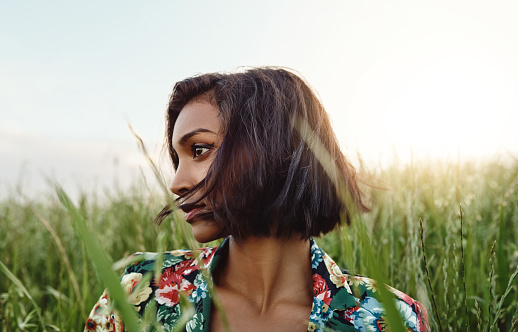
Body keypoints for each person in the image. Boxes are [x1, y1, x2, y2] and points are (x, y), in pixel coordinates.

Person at [84, 67, 429, 332]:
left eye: (199, 150)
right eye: (178, 159)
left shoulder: (387, 317)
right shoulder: (138, 289)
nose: (176, 183)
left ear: (274, 147)